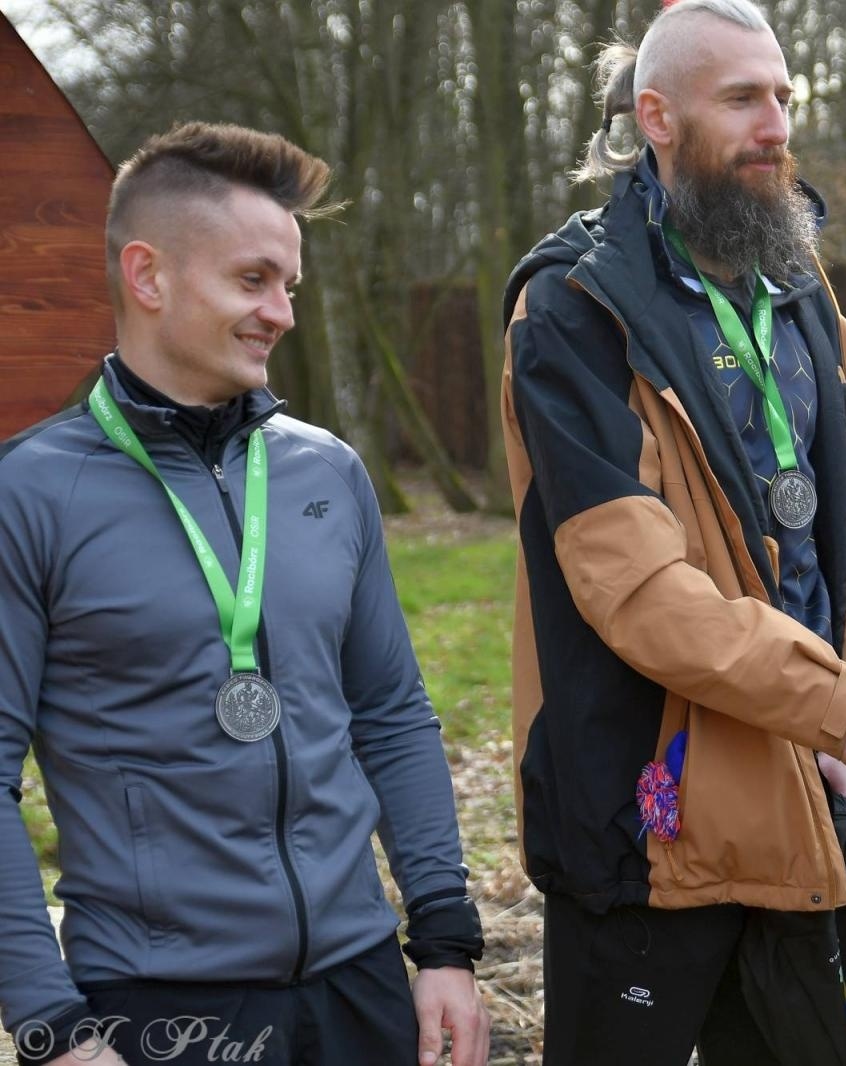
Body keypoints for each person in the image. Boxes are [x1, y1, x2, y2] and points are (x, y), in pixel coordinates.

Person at [496, 2, 846, 1063]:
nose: (776, 125)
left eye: (785, 98)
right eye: (743, 98)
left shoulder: (799, 288)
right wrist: (841, 707)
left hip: (802, 804)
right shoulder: (572, 309)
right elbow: (637, 590)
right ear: (655, 116)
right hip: (642, 831)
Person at [0, 123, 489, 1066]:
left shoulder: (329, 474)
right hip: (155, 1007)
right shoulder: (30, 494)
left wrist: (444, 943)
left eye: (290, 286)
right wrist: (49, 1025)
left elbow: (390, 714)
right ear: (149, 277)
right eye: (253, 280)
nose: (283, 313)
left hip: (360, 985)